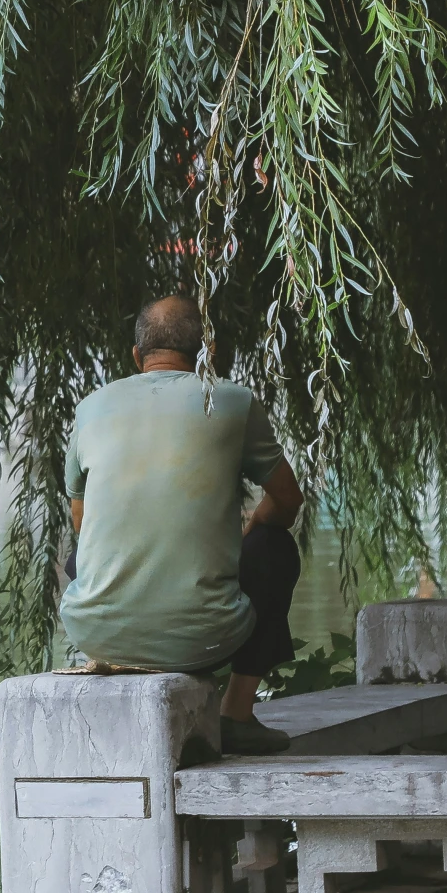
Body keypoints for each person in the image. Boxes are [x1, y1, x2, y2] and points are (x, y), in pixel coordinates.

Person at [62, 295, 304, 755]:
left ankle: (121, 627)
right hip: (205, 639)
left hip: (96, 634)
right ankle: (236, 714)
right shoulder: (233, 401)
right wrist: (253, 526)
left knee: (85, 554)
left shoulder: (91, 408)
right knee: (274, 549)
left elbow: (83, 522)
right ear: (207, 351)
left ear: (137, 356)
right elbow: (288, 501)